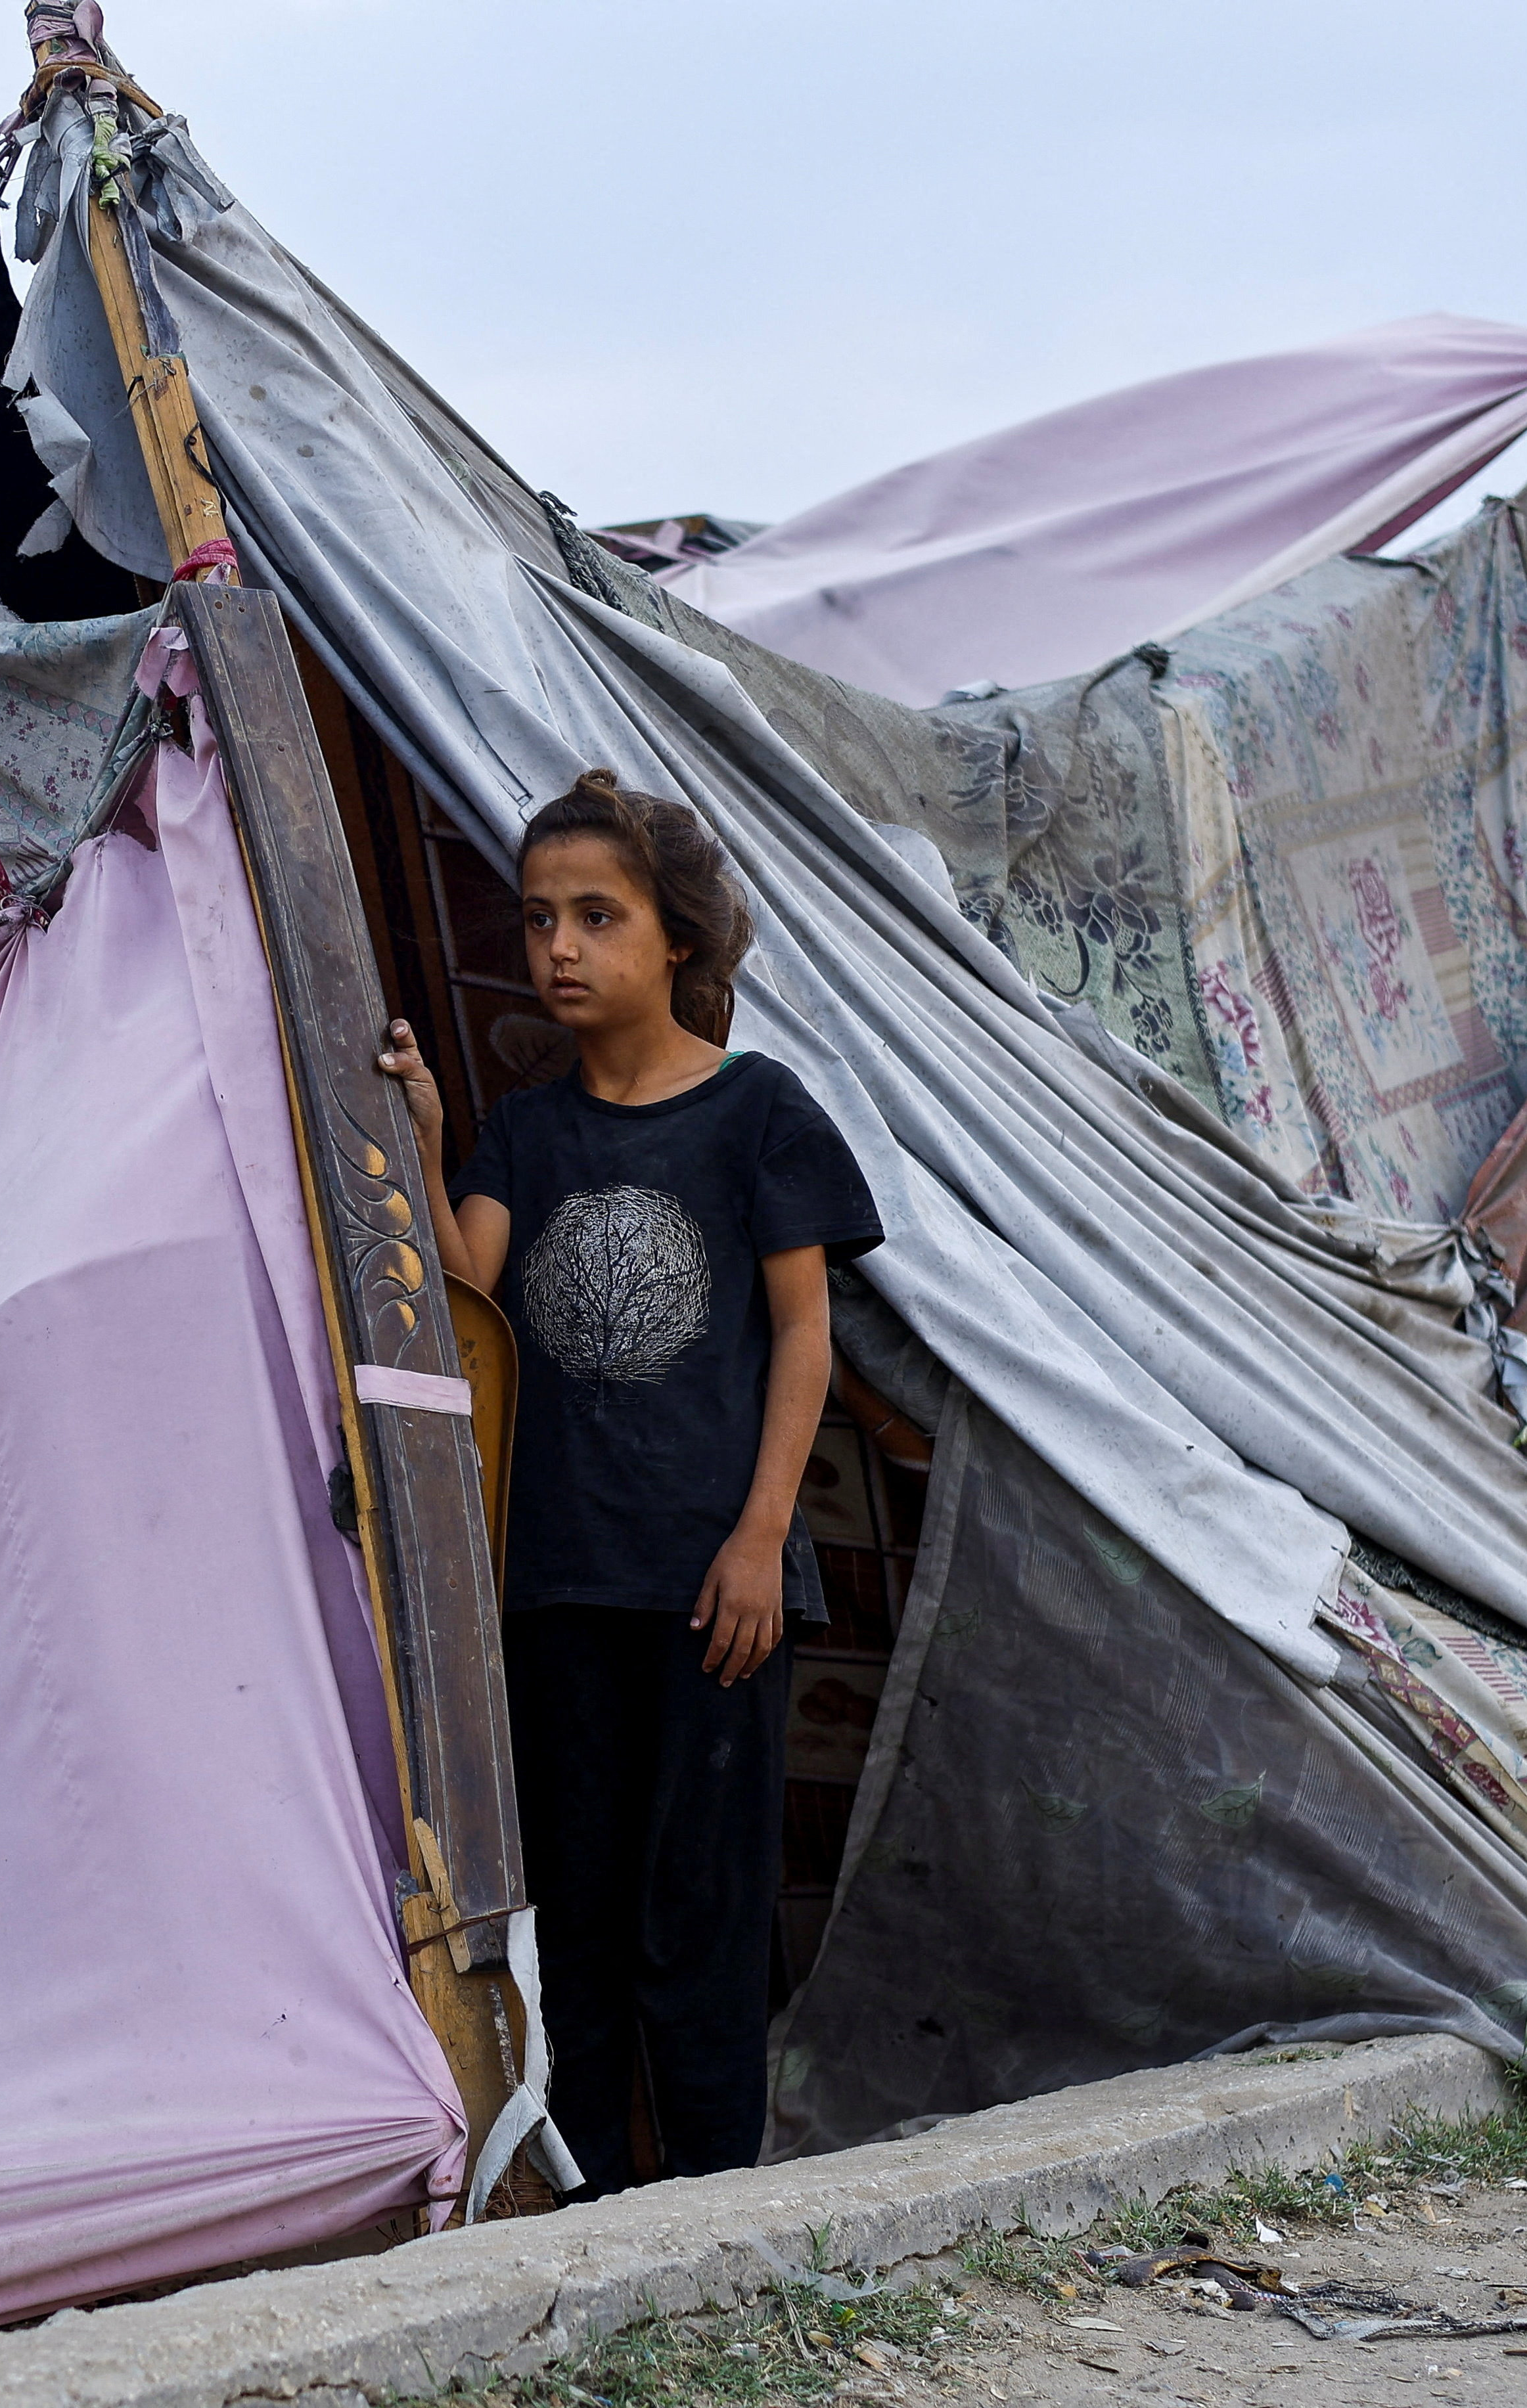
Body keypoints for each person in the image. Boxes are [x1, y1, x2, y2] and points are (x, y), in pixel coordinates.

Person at [376, 767, 880, 2196]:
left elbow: (802, 1333)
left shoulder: (754, 1112)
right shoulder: (528, 1136)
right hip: (554, 1587)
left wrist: (761, 1533)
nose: (558, 948)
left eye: (597, 915)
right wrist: (420, 1149)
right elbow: (471, 1310)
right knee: (579, 1927)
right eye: (537, 918)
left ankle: (719, 2209)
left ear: (677, 939)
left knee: (701, 1917)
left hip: (711, 1588)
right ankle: (594, 2228)